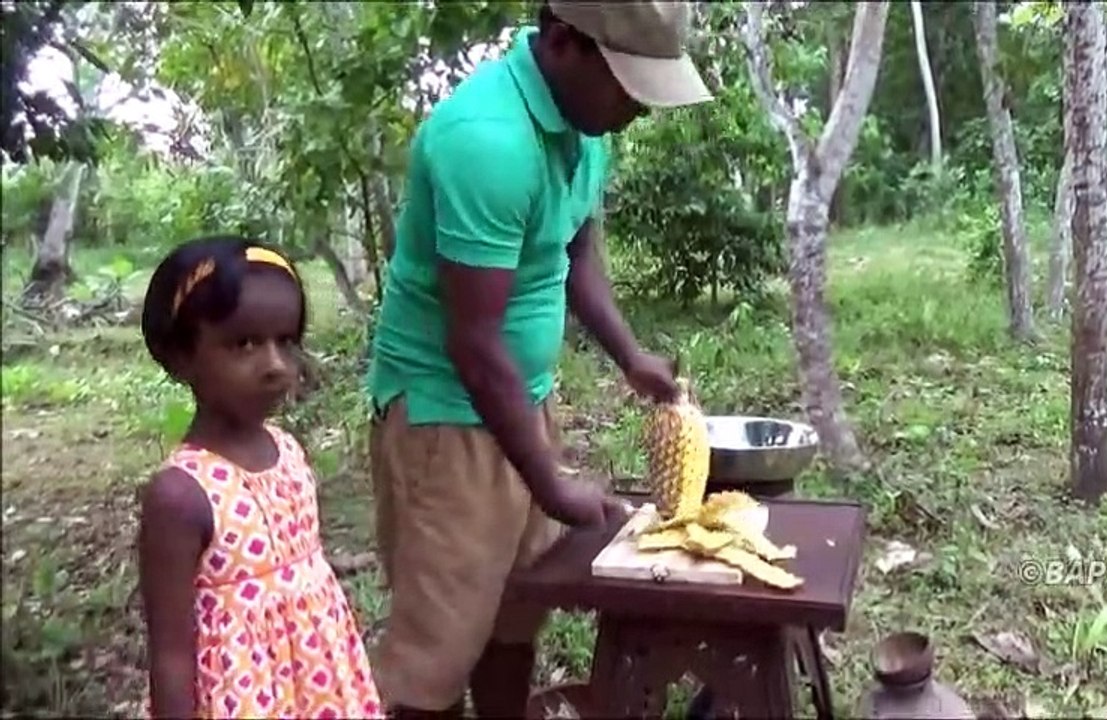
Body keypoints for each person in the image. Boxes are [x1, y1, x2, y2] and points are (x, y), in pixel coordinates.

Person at [365, 1, 714, 717]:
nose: (639, 110)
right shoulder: (485, 141)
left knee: (514, 614)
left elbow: (574, 255)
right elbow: (473, 342)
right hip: (447, 419)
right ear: (562, 43)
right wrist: (551, 484)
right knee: (437, 652)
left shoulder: (586, 128)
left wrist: (631, 356)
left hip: (521, 401)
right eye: (629, 85)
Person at [136, 236, 382, 719]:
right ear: (179, 357)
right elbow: (170, 656)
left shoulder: (287, 450)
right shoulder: (181, 495)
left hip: (316, 690)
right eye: (244, 343)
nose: (275, 365)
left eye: (286, 342)